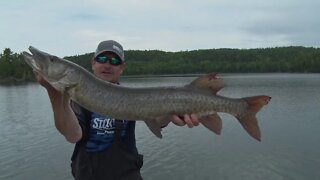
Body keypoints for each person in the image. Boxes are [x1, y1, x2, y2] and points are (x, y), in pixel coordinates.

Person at [35, 40, 199, 180]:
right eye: (102, 59)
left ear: (122, 68)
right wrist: (54, 95)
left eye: (114, 61)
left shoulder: (132, 97)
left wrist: (173, 114)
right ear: (93, 63)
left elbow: (157, 119)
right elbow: (73, 135)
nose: (107, 65)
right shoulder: (78, 98)